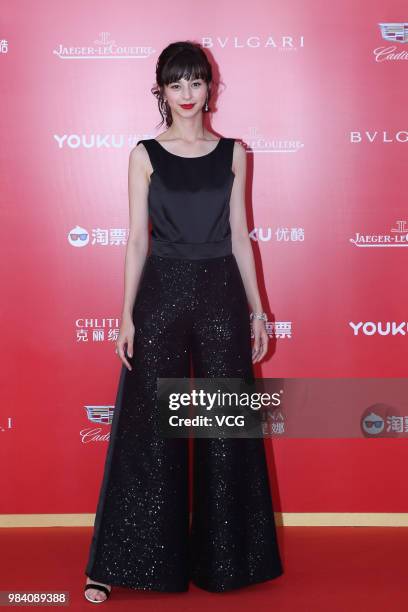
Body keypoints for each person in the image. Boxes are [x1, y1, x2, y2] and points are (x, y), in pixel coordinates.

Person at [84, 40, 283, 604]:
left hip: (221, 291)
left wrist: (258, 310)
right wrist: (124, 314)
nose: (188, 94)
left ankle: (230, 562)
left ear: (209, 88)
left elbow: (242, 238)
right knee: (148, 431)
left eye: (197, 82)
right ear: (162, 91)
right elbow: (135, 239)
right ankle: (127, 563)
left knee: (227, 428)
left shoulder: (235, 153)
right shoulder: (144, 154)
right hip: (161, 296)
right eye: (177, 84)